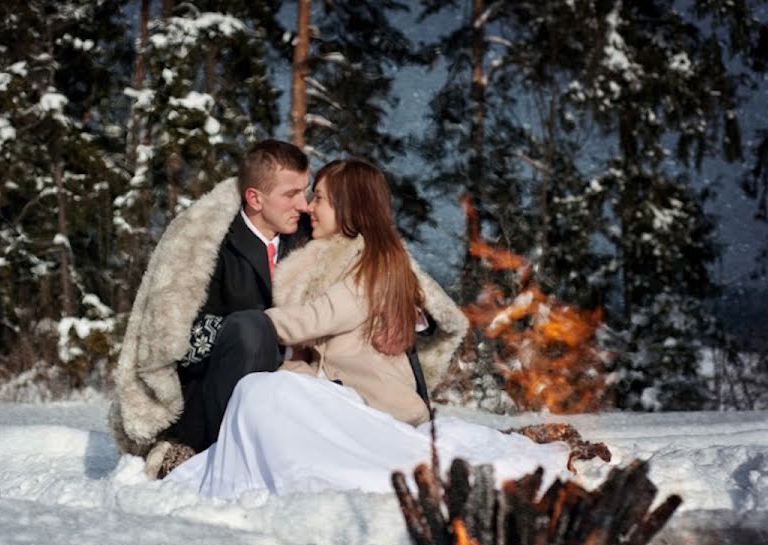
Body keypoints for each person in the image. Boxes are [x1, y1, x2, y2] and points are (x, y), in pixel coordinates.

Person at [166, 159, 570, 498]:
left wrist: (238, 328)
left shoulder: (371, 267)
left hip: (377, 409)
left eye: (319, 198)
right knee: (264, 392)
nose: (310, 208)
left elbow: (315, 317)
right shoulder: (368, 259)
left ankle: (230, 466)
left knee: (262, 392)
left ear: (349, 207)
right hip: (350, 397)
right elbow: (326, 353)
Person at [109, 140, 313, 478]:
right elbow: (175, 335)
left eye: (305, 191)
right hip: (216, 389)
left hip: (299, 380)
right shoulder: (209, 244)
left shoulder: (308, 236)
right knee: (251, 328)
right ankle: (205, 448)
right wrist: (271, 328)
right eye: (291, 194)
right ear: (255, 198)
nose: (303, 205)